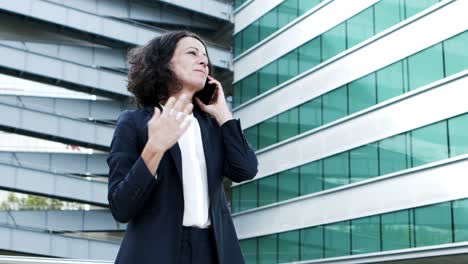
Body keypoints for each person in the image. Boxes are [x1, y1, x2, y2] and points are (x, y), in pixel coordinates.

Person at [106, 31, 258, 264]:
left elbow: (246, 169)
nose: (204, 60)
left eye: (205, 56)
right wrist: (154, 149)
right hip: (157, 252)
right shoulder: (134, 123)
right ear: (165, 63)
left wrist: (222, 113)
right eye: (192, 53)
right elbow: (121, 207)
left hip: (212, 250)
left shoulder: (212, 127)